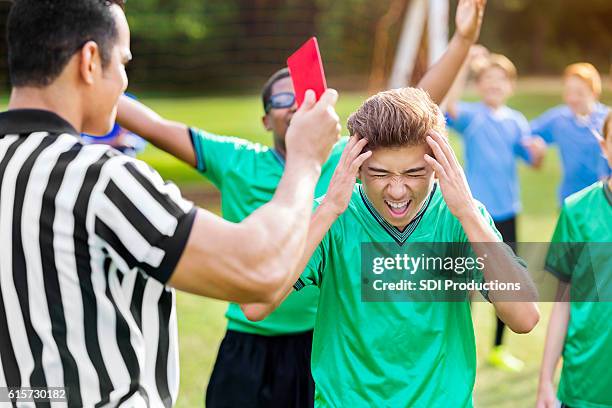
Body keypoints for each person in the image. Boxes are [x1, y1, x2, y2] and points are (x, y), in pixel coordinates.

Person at [116, 1, 488, 406]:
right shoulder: (237, 160)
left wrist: (463, 39)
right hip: (253, 337)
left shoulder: (350, 160)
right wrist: (88, 88)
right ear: (265, 119)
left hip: (318, 337)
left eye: (301, 95)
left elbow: (416, 107)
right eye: (281, 100)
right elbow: (155, 127)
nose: (294, 104)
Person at [0, 1, 341, 406]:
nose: (125, 82)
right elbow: (259, 269)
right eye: (123, 63)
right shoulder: (101, 178)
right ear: (89, 61)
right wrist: (304, 162)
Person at [242, 87, 540, 407]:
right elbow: (256, 307)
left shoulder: (462, 217)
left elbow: (524, 317)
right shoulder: (332, 217)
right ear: (357, 167)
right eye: (380, 173)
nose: (397, 191)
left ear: (438, 165)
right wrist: (329, 208)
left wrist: (467, 211)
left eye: (414, 173)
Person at [444, 51, 546, 372]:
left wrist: (539, 153)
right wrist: (462, 63)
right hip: (474, 214)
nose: (493, 85)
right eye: (487, 80)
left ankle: (499, 349)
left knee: (507, 280)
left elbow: (534, 162)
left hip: (507, 213)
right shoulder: (472, 117)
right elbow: (446, 107)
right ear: (479, 85)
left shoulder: (517, 121)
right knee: (467, 283)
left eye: (500, 80)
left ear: (510, 86)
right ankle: (460, 343)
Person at [536, 112, 612, 408]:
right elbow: (563, 301)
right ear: (604, 147)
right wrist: (544, 381)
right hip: (585, 387)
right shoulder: (577, 210)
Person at [531, 63, 611, 204]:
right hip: (569, 199)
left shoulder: (607, 118)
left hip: (603, 200)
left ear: (594, 92)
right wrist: (537, 144)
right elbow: (527, 133)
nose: (573, 98)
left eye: (579, 93)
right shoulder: (558, 119)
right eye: (568, 92)